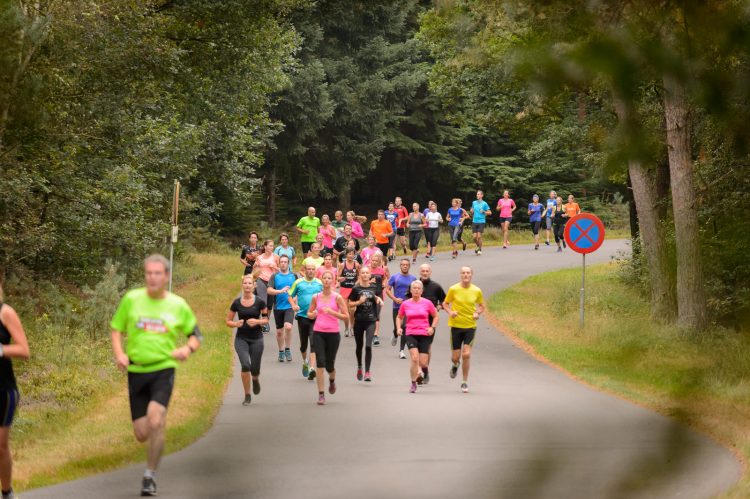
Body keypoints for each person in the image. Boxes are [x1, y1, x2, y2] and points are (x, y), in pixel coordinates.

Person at [110, 255, 202, 496]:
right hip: (136, 370)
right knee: (141, 434)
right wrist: (119, 353)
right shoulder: (132, 300)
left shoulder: (177, 304)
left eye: (157, 273)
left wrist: (186, 348)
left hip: (163, 368)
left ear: (167, 276)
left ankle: (150, 475)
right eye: (149, 273)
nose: (152, 277)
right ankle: (155, 432)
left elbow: (196, 335)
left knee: (155, 420)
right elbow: (116, 329)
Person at [0, 283, 30, 499]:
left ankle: (7, 492)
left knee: (0, 447)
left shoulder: (5, 312)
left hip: (3, 389)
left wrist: (0, 350)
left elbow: (23, 349)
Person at [225, 275, 268, 405]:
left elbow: (266, 320)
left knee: (254, 368)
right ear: (242, 285)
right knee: (245, 365)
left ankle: (255, 378)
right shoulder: (236, 303)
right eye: (245, 283)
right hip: (241, 338)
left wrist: (257, 321)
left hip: (257, 339)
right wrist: (235, 324)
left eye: (250, 283)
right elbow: (228, 321)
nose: (248, 285)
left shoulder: (260, 302)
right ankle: (247, 395)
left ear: (253, 285)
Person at [307, 270, 348, 405]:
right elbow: (309, 313)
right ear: (321, 280)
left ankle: (331, 380)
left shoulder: (337, 297)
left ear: (333, 281)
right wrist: (312, 314)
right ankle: (321, 394)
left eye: (329, 278)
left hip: (333, 333)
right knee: (320, 362)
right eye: (324, 278)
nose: (326, 280)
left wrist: (331, 312)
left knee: (330, 365)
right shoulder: (316, 297)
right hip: (318, 332)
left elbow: (346, 316)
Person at [443, 266, 485, 393]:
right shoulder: (453, 289)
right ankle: (455, 365)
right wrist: (450, 312)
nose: (466, 275)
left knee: (466, 354)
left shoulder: (477, 290)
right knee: (455, 357)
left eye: (468, 273)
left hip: (470, 326)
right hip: (456, 326)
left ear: (471, 275)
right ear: (460, 275)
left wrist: (477, 313)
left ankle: (464, 382)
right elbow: (445, 304)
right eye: (463, 273)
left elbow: (482, 306)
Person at [404, 264, 446, 384]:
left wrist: (439, 305)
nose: (425, 273)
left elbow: (444, 300)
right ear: (420, 272)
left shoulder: (436, 287)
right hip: (414, 322)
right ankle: (418, 374)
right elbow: (407, 299)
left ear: (430, 272)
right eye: (423, 271)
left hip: (429, 323)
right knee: (414, 353)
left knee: (427, 348)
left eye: (427, 271)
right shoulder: (414, 285)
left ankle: (425, 369)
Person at [396, 281, 439, 394]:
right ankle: (413, 383)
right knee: (415, 358)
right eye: (414, 288)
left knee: (424, 363)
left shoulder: (427, 303)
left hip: (424, 334)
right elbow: (399, 317)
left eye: (418, 288)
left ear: (421, 290)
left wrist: (432, 328)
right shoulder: (405, 304)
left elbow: (435, 316)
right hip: (410, 333)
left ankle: (425, 371)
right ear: (410, 290)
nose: (416, 290)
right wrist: (399, 328)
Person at [347, 266, 383, 382]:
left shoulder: (374, 287)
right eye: (363, 273)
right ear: (360, 275)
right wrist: (359, 302)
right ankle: (359, 366)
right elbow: (350, 304)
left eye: (367, 273)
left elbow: (377, 297)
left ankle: (367, 371)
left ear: (370, 275)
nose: (365, 275)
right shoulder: (356, 288)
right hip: (359, 321)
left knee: (368, 346)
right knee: (359, 346)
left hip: (371, 321)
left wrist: (379, 300)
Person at [289, 263, 323, 380]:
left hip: (315, 317)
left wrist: (320, 310)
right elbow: (290, 295)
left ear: (315, 271)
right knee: (303, 345)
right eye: (308, 269)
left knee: (314, 342)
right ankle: (305, 362)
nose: (310, 271)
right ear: (305, 270)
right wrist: (293, 305)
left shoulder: (319, 283)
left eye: (313, 269)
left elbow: (325, 297)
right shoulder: (298, 282)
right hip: (302, 317)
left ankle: (312, 368)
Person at [386, 259, 417, 358]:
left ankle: (401, 351)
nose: (405, 266)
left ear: (409, 266)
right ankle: (395, 334)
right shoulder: (395, 277)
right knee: (397, 328)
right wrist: (394, 299)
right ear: (400, 266)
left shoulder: (413, 278)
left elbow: (417, 291)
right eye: (403, 265)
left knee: (404, 327)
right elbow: (387, 290)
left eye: (407, 265)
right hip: (397, 306)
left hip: (409, 307)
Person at [268, 255, 297, 362]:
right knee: (279, 332)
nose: (283, 263)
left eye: (285, 262)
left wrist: (295, 299)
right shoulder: (275, 276)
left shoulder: (294, 275)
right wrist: (280, 291)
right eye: (282, 262)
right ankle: (281, 351)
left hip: (289, 306)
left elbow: (298, 289)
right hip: (278, 307)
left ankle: (288, 349)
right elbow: (269, 290)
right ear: (279, 263)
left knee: (288, 327)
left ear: (288, 263)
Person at [253, 239, 280, 332]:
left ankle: (266, 320)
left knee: (269, 304)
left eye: (272, 246)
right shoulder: (259, 257)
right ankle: (264, 322)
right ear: (265, 247)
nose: (271, 247)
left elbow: (281, 270)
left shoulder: (276, 257)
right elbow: (255, 269)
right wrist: (255, 266)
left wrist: (275, 267)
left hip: (272, 282)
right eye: (269, 246)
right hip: (261, 280)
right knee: (263, 302)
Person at [368, 252, 389, 346]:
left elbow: (385, 278)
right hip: (368, 294)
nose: (374, 262)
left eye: (376, 261)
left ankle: (375, 335)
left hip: (378, 294)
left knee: (376, 314)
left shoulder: (381, 270)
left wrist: (384, 283)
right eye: (373, 260)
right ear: (370, 260)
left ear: (379, 261)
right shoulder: (366, 270)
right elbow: (360, 280)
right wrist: (368, 281)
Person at [470, 190, 491, 255]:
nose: (477, 195)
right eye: (477, 194)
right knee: (474, 237)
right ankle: (478, 246)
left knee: (479, 236)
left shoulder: (484, 203)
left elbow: (490, 212)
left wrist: (484, 212)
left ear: (482, 195)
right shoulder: (474, 202)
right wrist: (471, 211)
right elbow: (472, 210)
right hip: (474, 221)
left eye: (479, 194)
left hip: (481, 221)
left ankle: (479, 249)